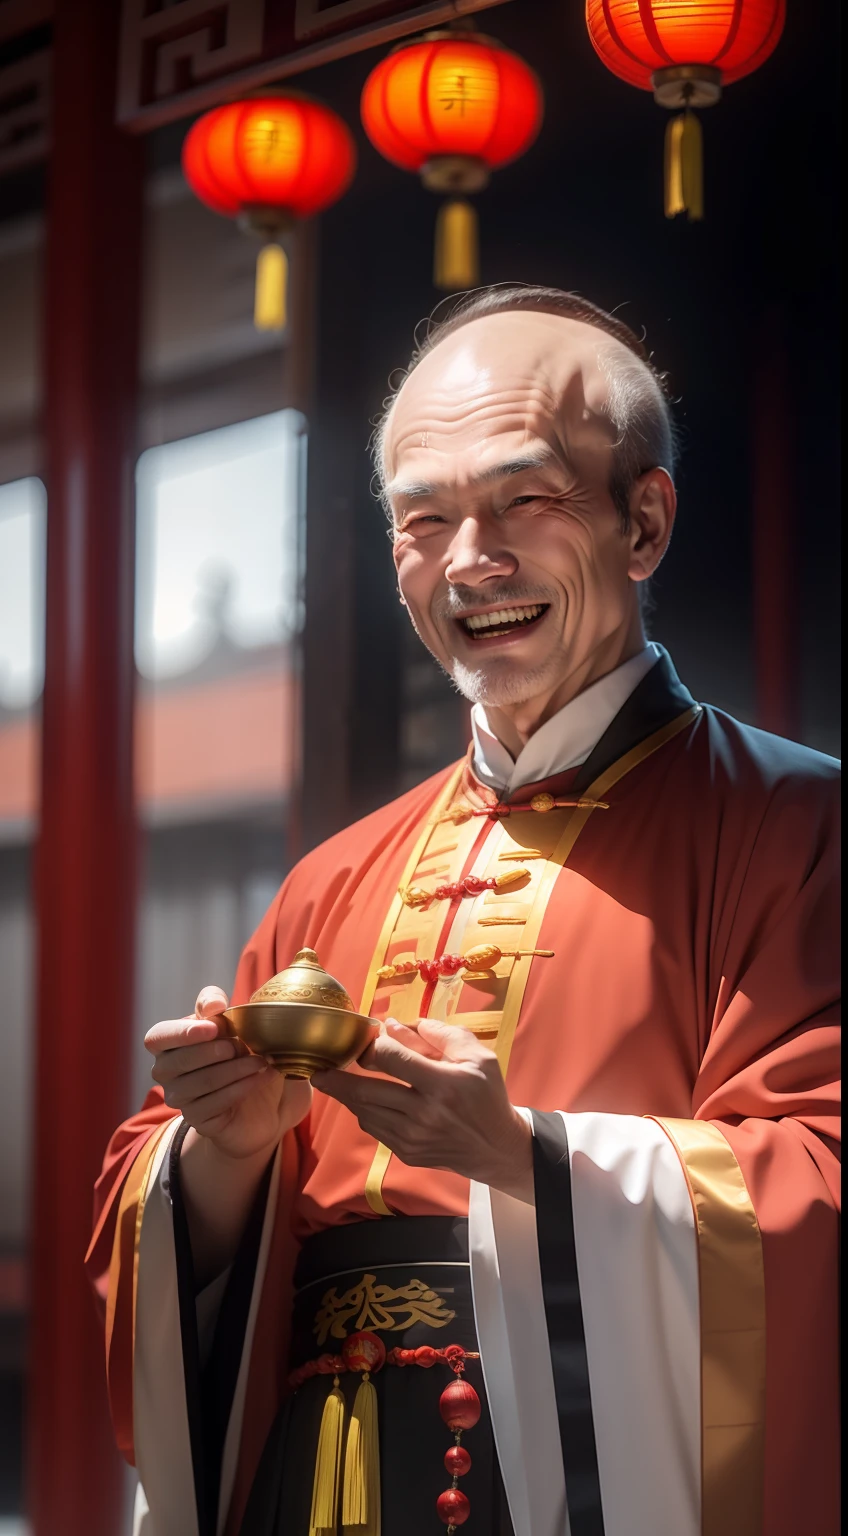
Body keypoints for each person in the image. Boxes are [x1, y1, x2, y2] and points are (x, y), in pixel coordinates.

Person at [87, 286, 840, 1536]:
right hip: (315, 1475)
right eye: (421, 519)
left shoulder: (795, 829)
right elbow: (167, 1240)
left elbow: (818, 1185)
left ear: (641, 520)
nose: (468, 561)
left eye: (522, 501)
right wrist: (220, 1152)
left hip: (582, 1468)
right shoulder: (330, 880)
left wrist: (521, 1155)